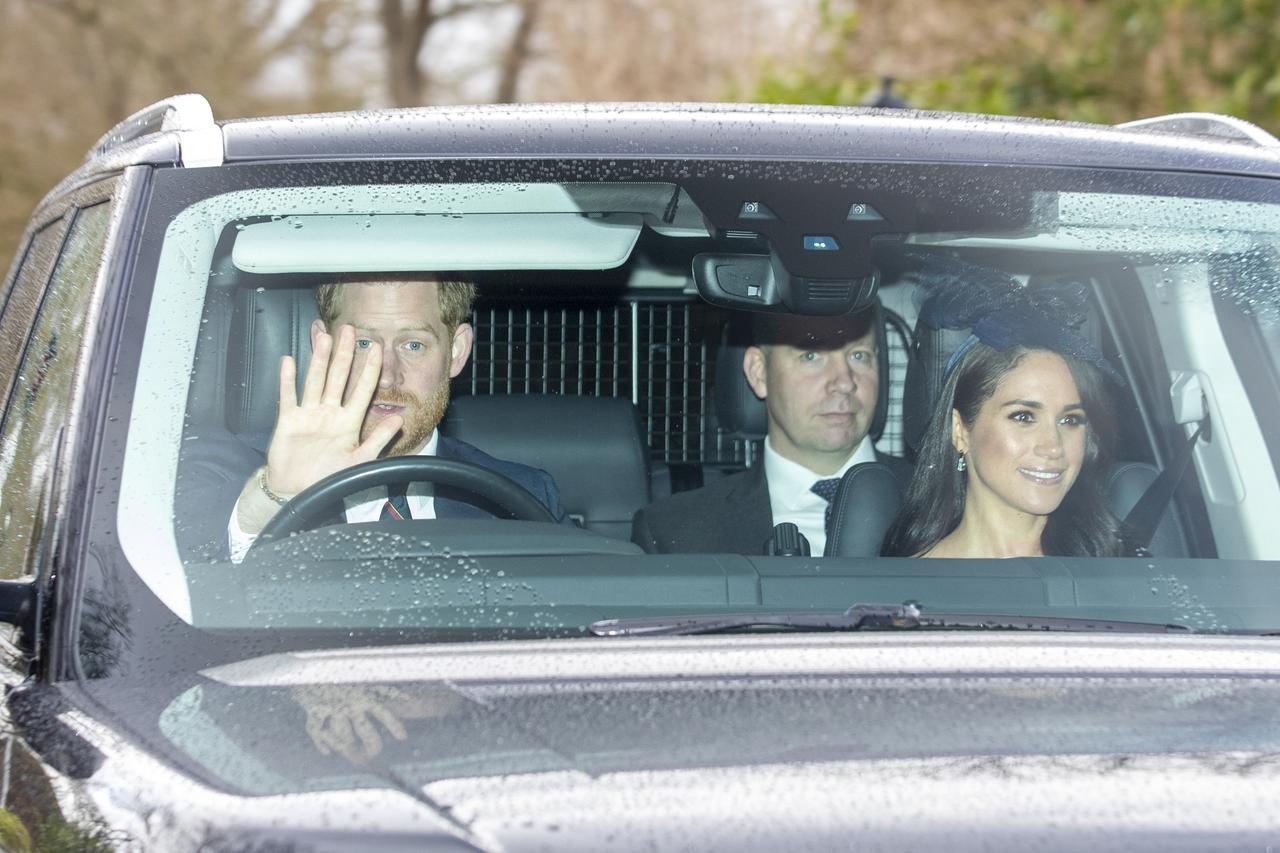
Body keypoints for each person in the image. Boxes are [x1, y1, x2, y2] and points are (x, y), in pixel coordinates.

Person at [224, 273, 564, 561]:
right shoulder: (231, 473)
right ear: (322, 343)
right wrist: (276, 499)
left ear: (456, 351)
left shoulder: (522, 496)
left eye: (413, 345)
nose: (387, 377)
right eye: (363, 343)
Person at [631, 308, 909, 556]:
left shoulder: (947, 508)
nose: (845, 382)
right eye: (811, 356)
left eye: (859, 356)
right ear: (758, 373)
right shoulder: (676, 533)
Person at [881, 288, 1123, 559]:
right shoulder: (909, 586)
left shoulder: (1116, 571)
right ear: (960, 431)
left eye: (1070, 420)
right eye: (1023, 417)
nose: (1053, 446)